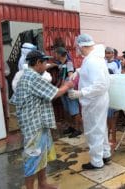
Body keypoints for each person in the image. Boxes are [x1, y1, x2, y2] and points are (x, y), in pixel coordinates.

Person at [10, 50, 74, 189]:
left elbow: (15, 99)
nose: (46, 65)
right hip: (34, 125)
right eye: (44, 63)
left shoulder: (25, 75)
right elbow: (55, 93)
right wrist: (68, 85)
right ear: (38, 63)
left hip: (38, 122)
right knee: (32, 158)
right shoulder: (33, 77)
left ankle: (43, 184)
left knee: (42, 154)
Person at [68, 34, 111, 170]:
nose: (77, 50)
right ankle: (105, 154)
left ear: (82, 46)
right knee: (100, 128)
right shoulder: (93, 58)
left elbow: (101, 85)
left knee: (94, 131)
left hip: (94, 100)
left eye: (78, 47)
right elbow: (91, 71)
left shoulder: (93, 60)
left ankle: (96, 161)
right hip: (97, 100)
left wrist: (80, 93)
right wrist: (79, 72)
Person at [54, 47, 82, 138]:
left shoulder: (68, 63)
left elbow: (70, 76)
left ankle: (78, 129)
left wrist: (64, 86)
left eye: (56, 53)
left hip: (69, 90)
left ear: (59, 54)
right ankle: (71, 127)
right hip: (63, 90)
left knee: (74, 110)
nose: (55, 55)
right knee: (67, 110)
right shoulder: (61, 64)